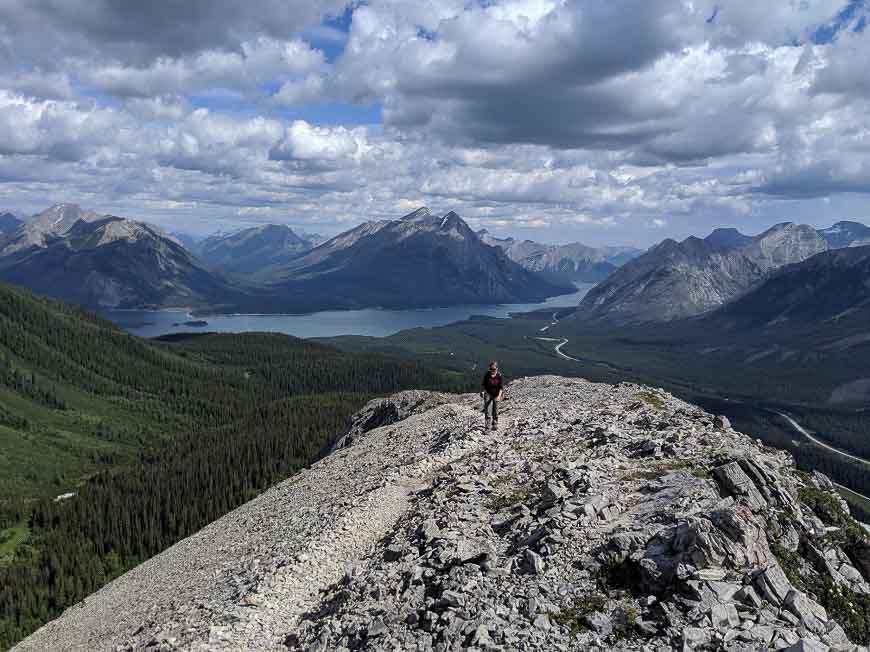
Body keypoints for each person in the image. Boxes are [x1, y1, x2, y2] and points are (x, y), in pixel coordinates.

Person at [481, 361, 503, 430]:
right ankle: (487, 427)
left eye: (494, 369)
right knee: (488, 411)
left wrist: (499, 396)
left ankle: (495, 424)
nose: (492, 370)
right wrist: (482, 391)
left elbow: (501, 387)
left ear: (497, 368)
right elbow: (483, 385)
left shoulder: (499, 376)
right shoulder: (487, 375)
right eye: (491, 369)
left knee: (495, 410)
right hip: (488, 393)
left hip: (496, 394)